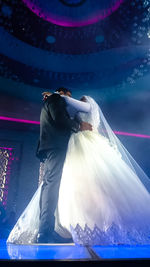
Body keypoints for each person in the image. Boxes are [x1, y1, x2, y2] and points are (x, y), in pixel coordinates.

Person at [7, 94, 150, 246]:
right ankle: (71, 225)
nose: (80, 101)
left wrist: (58, 95)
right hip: (75, 144)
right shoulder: (75, 112)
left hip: (88, 142)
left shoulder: (90, 106)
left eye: (82, 99)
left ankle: (104, 224)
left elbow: (69, 102)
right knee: (73, 183)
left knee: (97, 181)